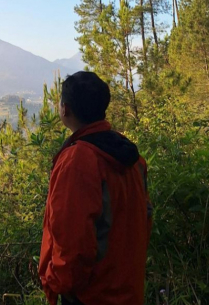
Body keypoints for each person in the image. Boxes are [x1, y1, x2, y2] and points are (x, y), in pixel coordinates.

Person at [38, 71, 152, 305]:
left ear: (65, 109)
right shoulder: (131, 158)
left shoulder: (78, 162)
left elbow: (72, 242)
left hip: (90, 296)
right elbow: (143, 220)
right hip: (127, 290)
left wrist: (56, 282)